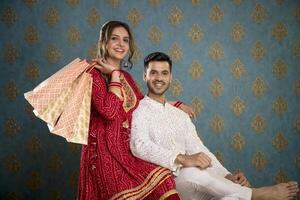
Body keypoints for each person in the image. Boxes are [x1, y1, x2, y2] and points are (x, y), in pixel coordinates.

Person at [130, 51, 299, 200]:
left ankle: (238, 192)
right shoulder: (139, 111)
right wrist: (182, 159)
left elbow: (199, 148)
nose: (159, 78)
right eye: (153, 73)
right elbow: (139, 145)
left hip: (199, 186)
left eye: (164, 73)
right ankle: (255, 195)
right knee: (191, 172)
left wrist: (227, 176)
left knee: (232, 197)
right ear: (145, 76)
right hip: (168, 184)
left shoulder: (180, 115)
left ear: (171, 77)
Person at [77, 21, 195, 200]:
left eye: (125, 40)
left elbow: (140, 103)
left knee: (163, 179)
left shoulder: (126, 77)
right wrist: (114, 75)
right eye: (114, 38)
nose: (121, 44)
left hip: (126, 150)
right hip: (103, 154)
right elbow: (109, 110)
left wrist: (174, 104)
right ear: (104, 42)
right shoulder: (93, 73)